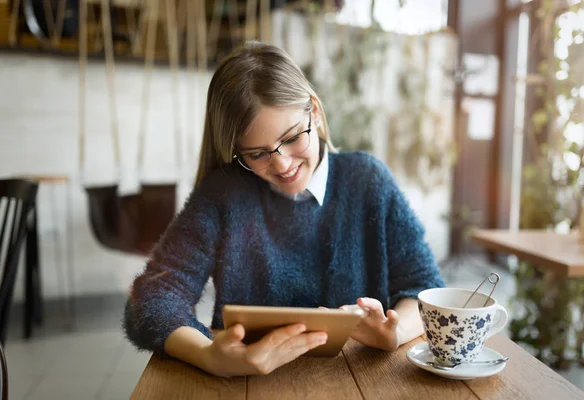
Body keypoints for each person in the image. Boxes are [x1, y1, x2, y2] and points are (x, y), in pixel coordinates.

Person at [124, 41, 445, 377]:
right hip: (246, 387)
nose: (282, 165)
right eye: (257, 154)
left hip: (362, 381)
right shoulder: (224, 192)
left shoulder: (368, 180)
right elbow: (151, 297)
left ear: (315, 112)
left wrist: (396, 333)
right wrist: (208, 355)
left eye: (293, 138)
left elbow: (424, 287)